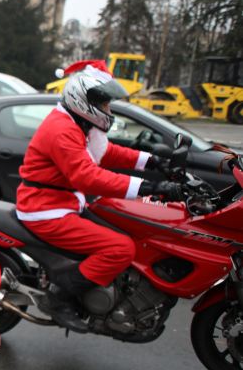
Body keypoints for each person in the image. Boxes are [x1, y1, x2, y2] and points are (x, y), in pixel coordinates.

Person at [14, 60, 183, 333]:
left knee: (126, 228)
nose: (108, 110)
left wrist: (154, 162)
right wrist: (149, 188)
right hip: (46, 210)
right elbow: (87, 177)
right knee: (121, 248)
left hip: (66, 203)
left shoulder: (76, 123)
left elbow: (107, 153)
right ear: (83, 100)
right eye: (104, 104)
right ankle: (58, 298)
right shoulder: (62, 129)